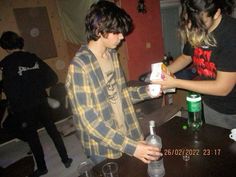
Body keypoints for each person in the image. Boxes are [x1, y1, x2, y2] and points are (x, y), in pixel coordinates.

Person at [66, 0, 162, 165]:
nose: (122, 37)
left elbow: (121, 94)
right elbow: (90, 123)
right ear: (99, 29)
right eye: (117, 32)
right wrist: (132, 148)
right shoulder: (79, 67)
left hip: (127, 133)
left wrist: (148, 91)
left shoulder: (111, 55)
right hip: (102, 147)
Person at [153, 0, 236, 129]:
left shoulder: (231, 34)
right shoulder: (196, 24)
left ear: (217, 13)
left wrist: (176, 83)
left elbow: (222, 88)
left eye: (201, 23)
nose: (194, 28)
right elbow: (187, 57)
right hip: (210, 101)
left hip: (231, 108)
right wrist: (163, 72)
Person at [0, 31, 72, 176]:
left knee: (33, 138)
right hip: (41, 102)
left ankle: (42, 168)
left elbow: (8, 88)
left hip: (24, 107)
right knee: (53, 131)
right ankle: (66, 159)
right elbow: (53, 78)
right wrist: (37, 86)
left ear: (5, 47)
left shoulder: (5, 64)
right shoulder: (33, 58)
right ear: (19, 42)